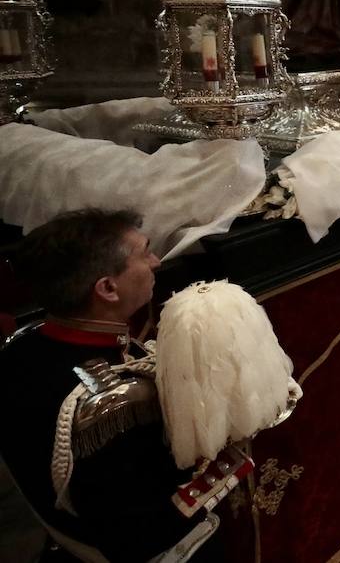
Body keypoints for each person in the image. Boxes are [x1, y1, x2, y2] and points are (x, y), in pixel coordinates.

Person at [0, 210, 222, 561]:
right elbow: (137, 535)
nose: (155, 262)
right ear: (107, 288)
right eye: (145, 252)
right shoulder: (111, 404)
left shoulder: (20, 346)